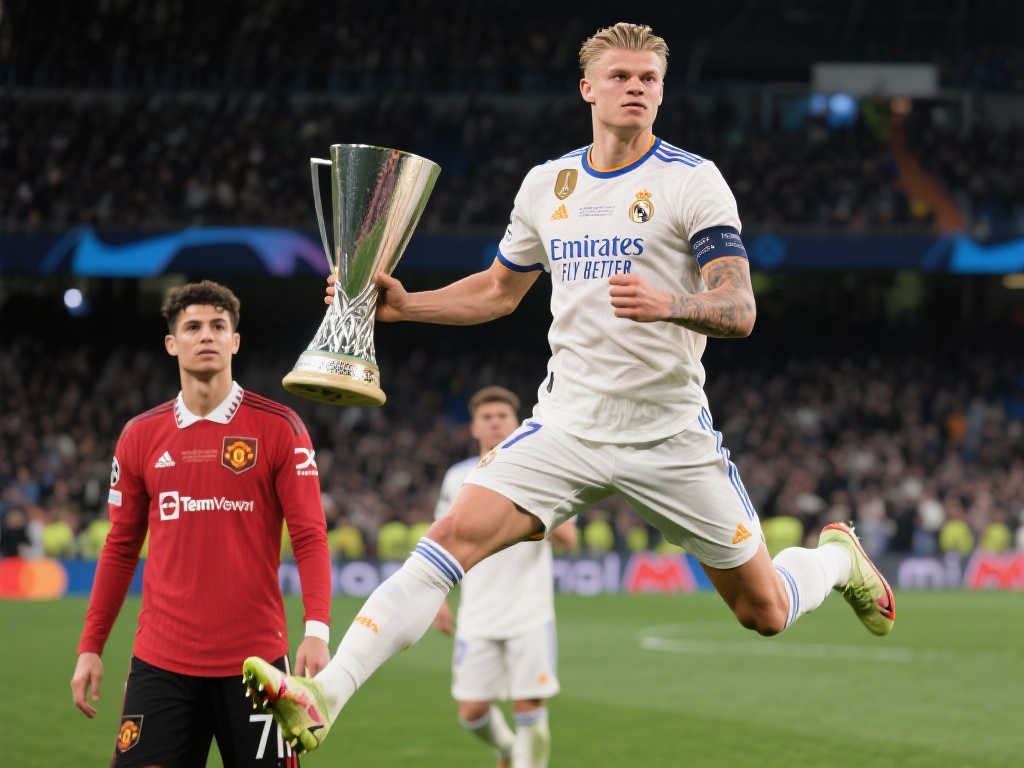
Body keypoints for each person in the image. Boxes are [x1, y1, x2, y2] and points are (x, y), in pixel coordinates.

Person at [242, 21, 895, 755]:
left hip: (667, 434)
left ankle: (837, 559)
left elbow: (739, 307)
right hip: (567, 425)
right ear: (588, 88)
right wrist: (407, 305)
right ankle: (325, 694)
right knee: (448, 539)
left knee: (764, 611)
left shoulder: (692, 180)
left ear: (662, 92)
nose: (636, 89)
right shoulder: (547, 185)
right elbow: (498, 290)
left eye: (649, 79)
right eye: (620, 77)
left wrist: (670, 303)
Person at [71, 280, 332, 767]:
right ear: (172, 343)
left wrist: (317, 630)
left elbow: (310, 536)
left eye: (218, 326)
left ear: (235, 341)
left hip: (257, 665)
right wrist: (91, 647)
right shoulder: (139, 436)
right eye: (192, 327)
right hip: (161, 664)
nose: (206, 335)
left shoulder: (281, 427)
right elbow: (121, 547)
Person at [431, 386, 576, 768]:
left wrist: (537, 502)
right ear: (474, 428)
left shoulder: (542, 471)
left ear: (517, 423)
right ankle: (509, 750)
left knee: (530, 707)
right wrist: (437, 599)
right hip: (477, 613)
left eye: (502, 416)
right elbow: (443, 540)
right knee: (471, 711)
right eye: (487, 417)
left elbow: (569, 540)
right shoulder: (458, 478)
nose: (495, 423)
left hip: (530, 612)